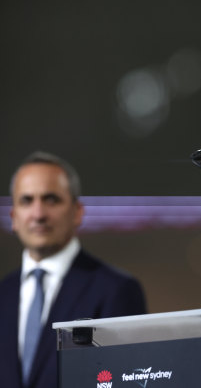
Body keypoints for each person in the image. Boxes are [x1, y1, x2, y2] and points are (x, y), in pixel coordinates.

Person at [0, 151, 147, 388]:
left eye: (51, 199)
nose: (38, 214)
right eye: (27, 201)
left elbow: (127, 381)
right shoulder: (3, 294)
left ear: (77, 212)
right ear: (13, 217)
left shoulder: (117, 291)